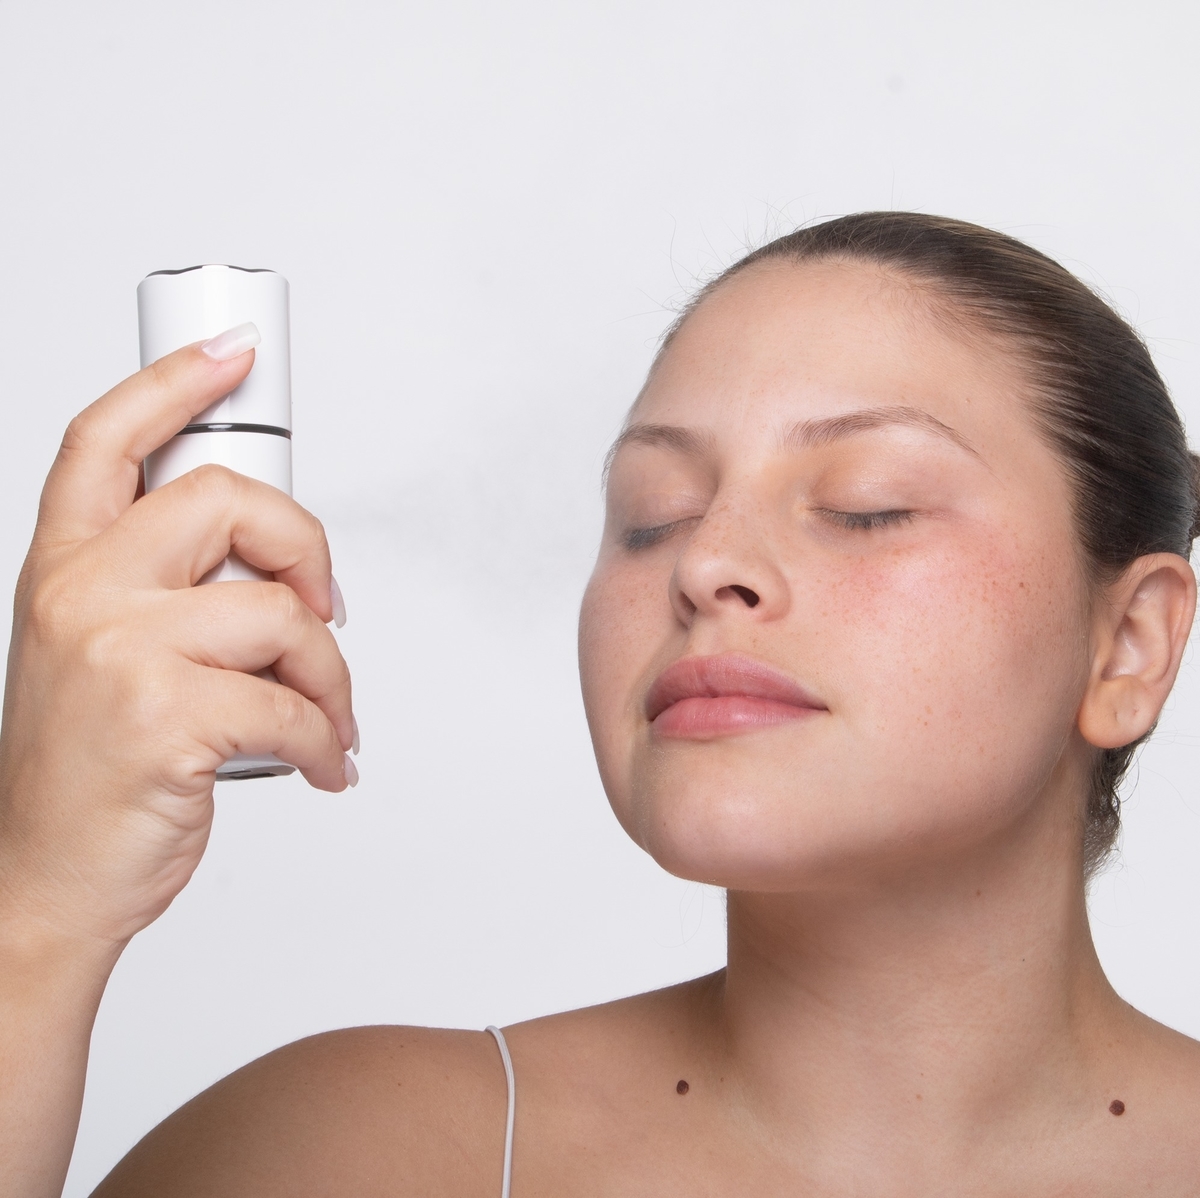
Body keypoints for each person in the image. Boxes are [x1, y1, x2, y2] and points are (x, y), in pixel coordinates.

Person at [3, 212, 1199, 1197]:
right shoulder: (343, 1156)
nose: (704, 562)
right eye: (652, 515)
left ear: (1130, 644)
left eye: (865, 503)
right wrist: (42, 912)